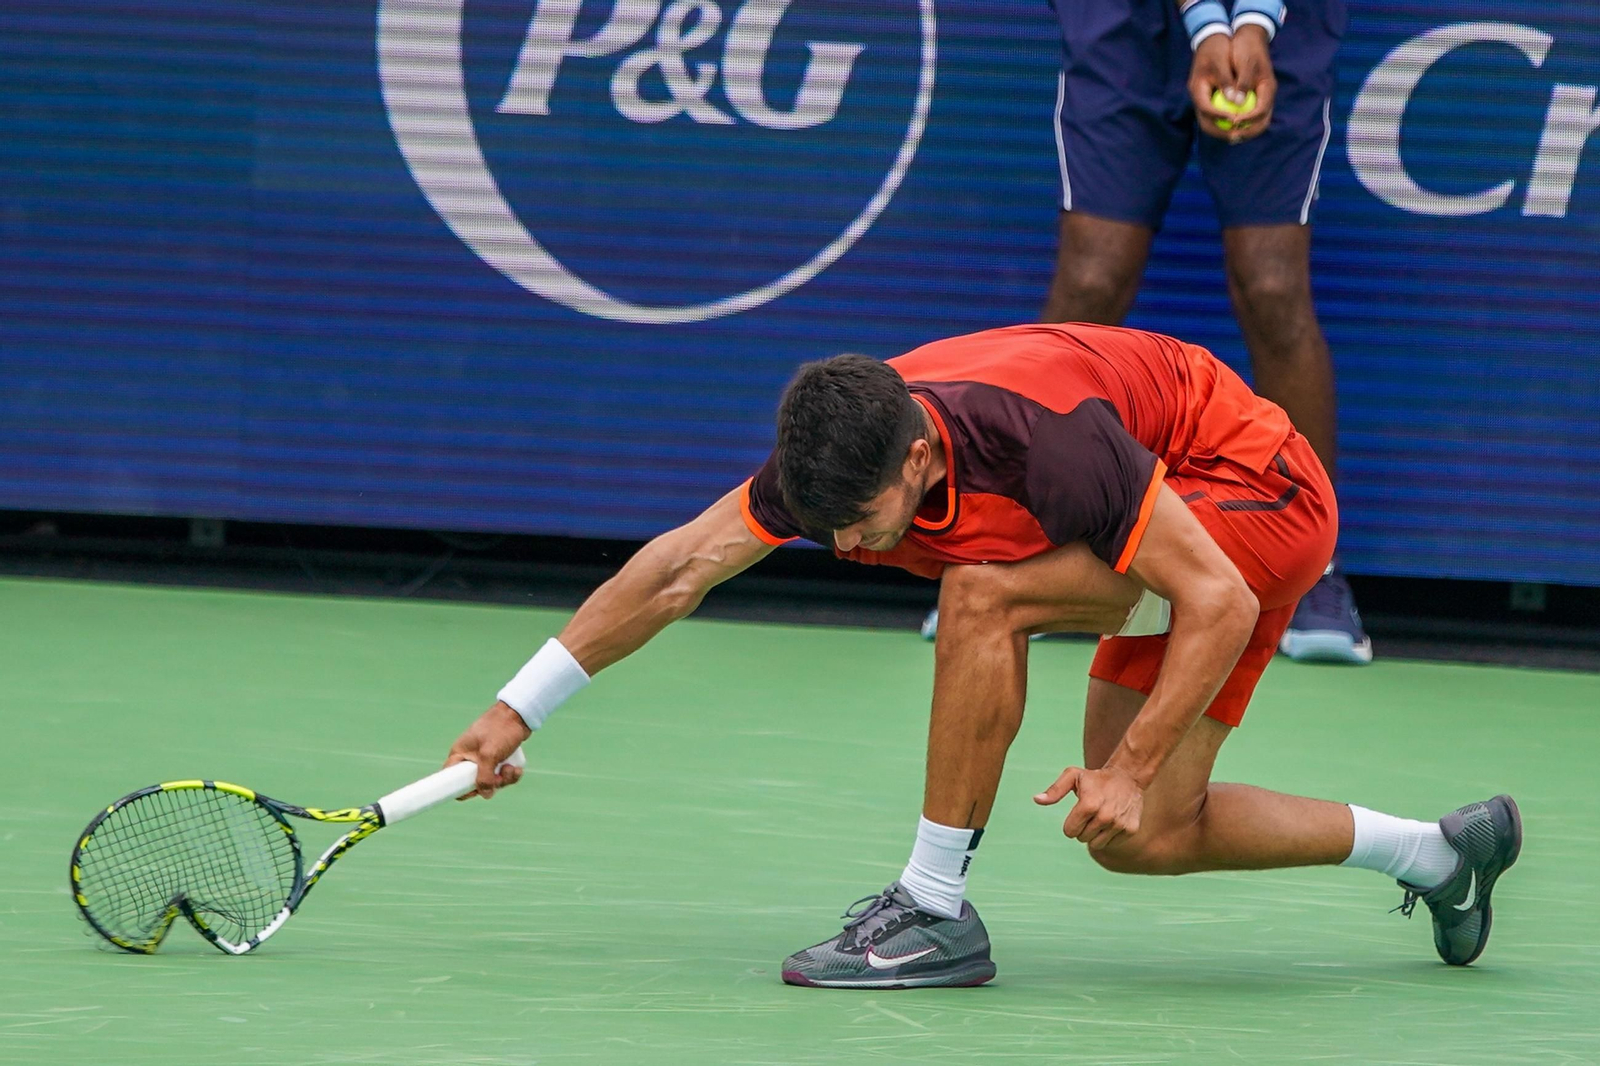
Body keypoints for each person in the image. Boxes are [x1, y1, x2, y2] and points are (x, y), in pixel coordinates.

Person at [443, 323, 1519, 989]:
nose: (854, 548)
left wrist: (1127, 761)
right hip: (1183, 536)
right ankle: (1437, 855)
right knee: (1143, 837)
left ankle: (932, 908)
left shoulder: (1044, 441)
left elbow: (1219, 599)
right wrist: (518, 708)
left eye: (864, 523)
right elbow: (680, 568)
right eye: (833, 534)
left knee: (982, 596)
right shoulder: (839, 456)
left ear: (917, 453)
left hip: (1255, 496)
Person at [937, 0, 1368, 664]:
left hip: (1284, 26)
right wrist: (1207, 25)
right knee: (1091, 277)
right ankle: (1020, 543)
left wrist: (1252, 24)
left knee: (1273, 288)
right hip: (1126, 25)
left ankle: (1316, 572)